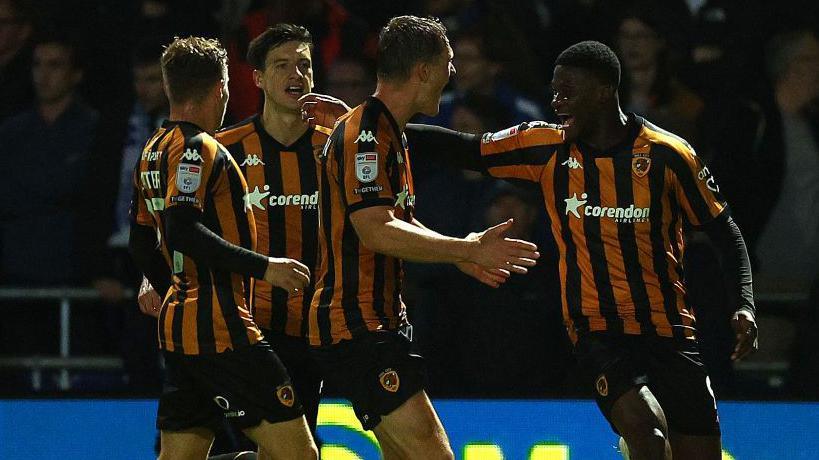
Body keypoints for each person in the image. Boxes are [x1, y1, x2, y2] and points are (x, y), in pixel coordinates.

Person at [303, 40, 758, 460]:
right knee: (647, 434)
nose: (557, 101)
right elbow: (466, 149)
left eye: (568, 91)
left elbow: (726, 233)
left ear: (603, 93)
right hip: (596, 329)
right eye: (554, 91)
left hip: (669, 329)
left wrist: (744, 304)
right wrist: (366, 124)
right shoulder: (547, 147)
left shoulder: (667, 156)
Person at [308, 15, 539, 459]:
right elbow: (375, 228)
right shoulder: (369, 137)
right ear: (423, 70)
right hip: (356, 325)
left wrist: (454, 254)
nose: (453, 75)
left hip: (376, 323)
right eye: (448, 63)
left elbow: (394, 222)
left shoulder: (388, 133)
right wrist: (467, 248)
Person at [128, 36, 317, 459]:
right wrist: (265, 268)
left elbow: (141, 241)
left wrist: (175, 288)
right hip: (226, 330)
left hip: (179, 335)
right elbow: (181, 228)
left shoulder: (152, 151)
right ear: (222, 88)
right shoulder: (200, 148)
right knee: (299, 456)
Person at [216, 22, 327, 440]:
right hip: (244, 330)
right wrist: (148, 278)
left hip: (314, 330)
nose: (295, 75)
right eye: (282, 65)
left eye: (304, 65)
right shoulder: (224, 149)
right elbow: (178, 222)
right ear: (258, 78)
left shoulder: (337, 148)